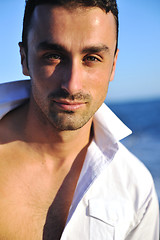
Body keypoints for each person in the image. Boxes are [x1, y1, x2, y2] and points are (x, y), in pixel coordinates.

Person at [0, 0, 159, 239]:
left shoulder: (136, 189)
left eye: (92, 58)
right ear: (24, 59)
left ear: (113, 65)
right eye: (53, 56)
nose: (72, 85)